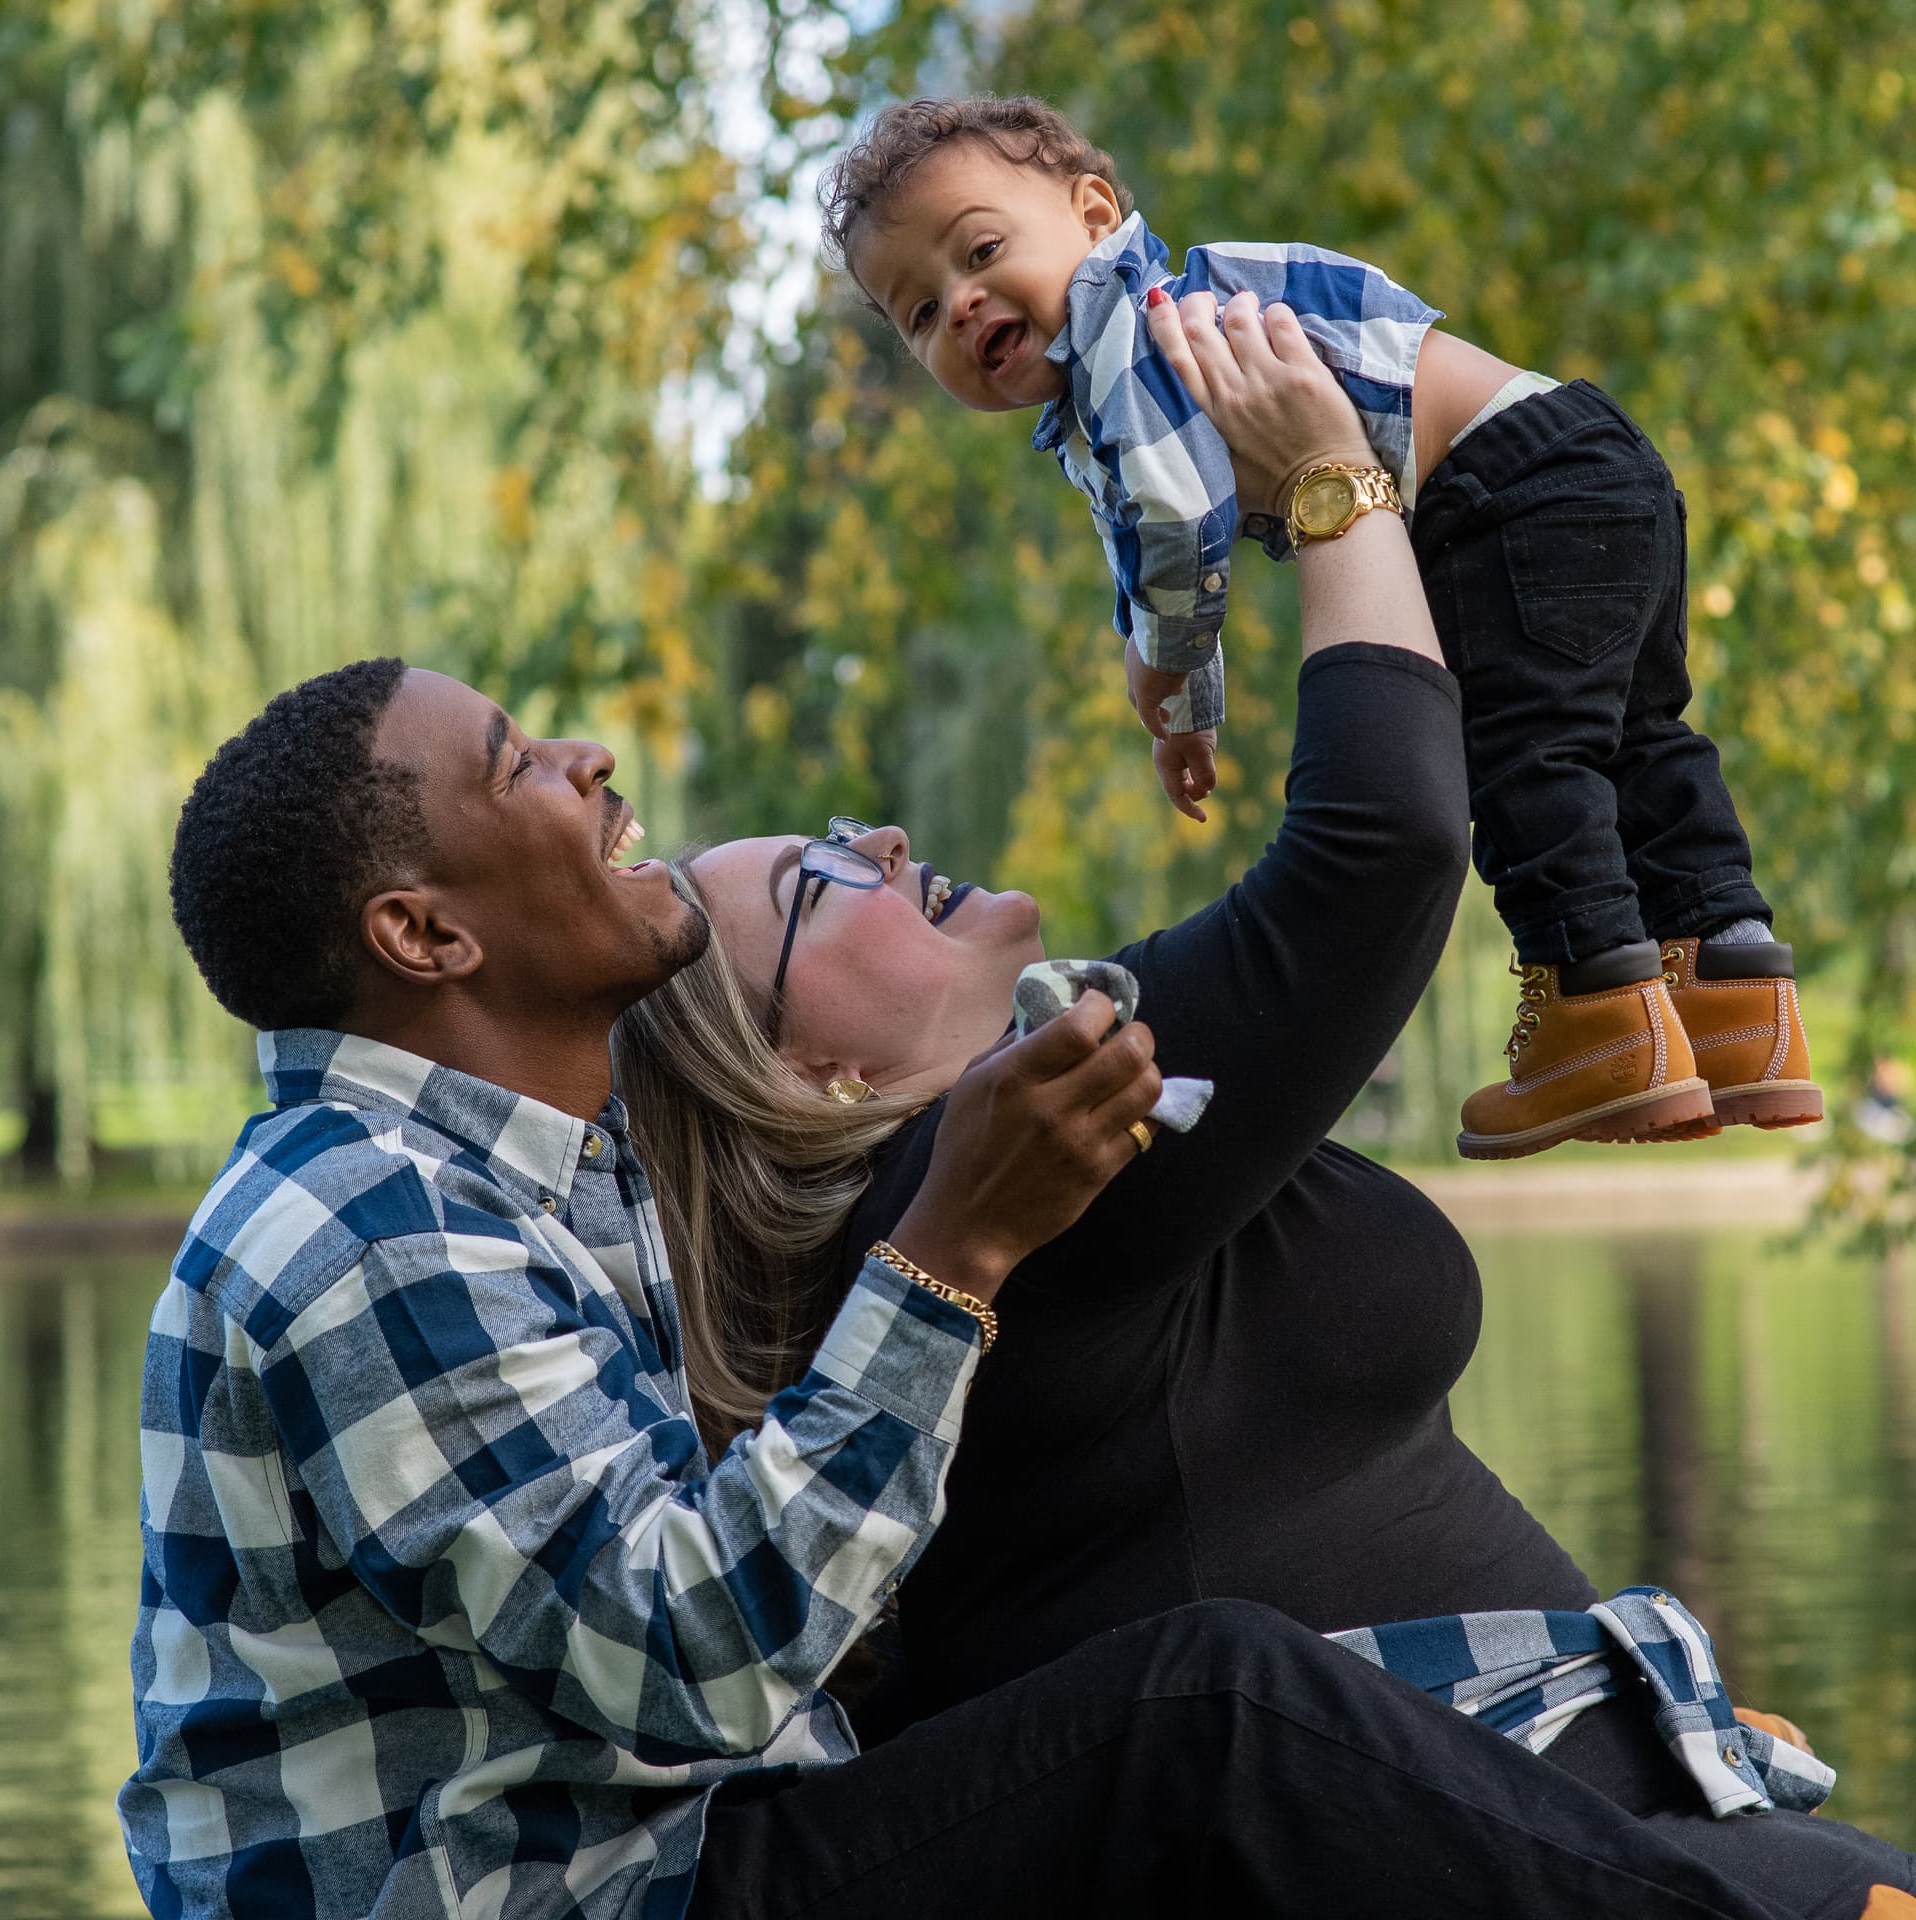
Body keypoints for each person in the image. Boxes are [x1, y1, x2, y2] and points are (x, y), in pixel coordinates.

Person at [118, 661, 1803, 1920]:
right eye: (517, 766)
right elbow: (691, 1657)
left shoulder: (530, 1176)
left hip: (688, 1851)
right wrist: (958, 1248)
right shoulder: (362, 1221)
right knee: (1204, 1712)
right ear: (424, 936)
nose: (588, 757)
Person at [613, 297, 1916, 1916]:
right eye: (815, 886)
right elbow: (1377, 853)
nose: (873, 838)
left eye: (836, 829)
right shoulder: (1001, 1168)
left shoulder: (1017, 1145)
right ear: (803, 1076)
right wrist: (1333, 480)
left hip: (1633, 1837)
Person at [815, 92, 1822, 1160]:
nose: (961, 303)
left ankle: (1594, 1014)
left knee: (1530, 756)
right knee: (1641, 741)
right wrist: (1188, 709)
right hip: (1591, 459)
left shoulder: (1132, 331)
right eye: (919, 313)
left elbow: (1179, 513)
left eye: (979, 251)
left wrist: (1164, 658)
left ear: (1097, 213)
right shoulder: (1149, 326)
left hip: (1501, 495)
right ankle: (1734, 996)